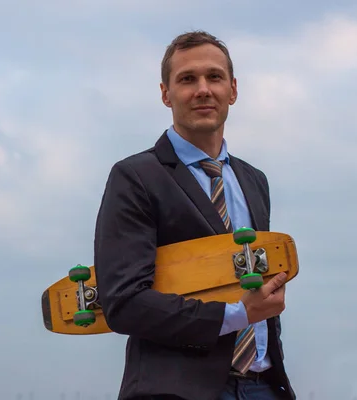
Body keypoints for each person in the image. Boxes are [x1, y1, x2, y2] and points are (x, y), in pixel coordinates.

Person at [93, 30, 296, 400]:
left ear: (233, 90)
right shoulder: (135, 176)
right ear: (165, 94)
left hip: (264, 385)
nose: (203, 89)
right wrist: (236, 314)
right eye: (187, 79)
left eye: (214, 77)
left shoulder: (254, 180)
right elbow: (123, 302)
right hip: (177, 390)